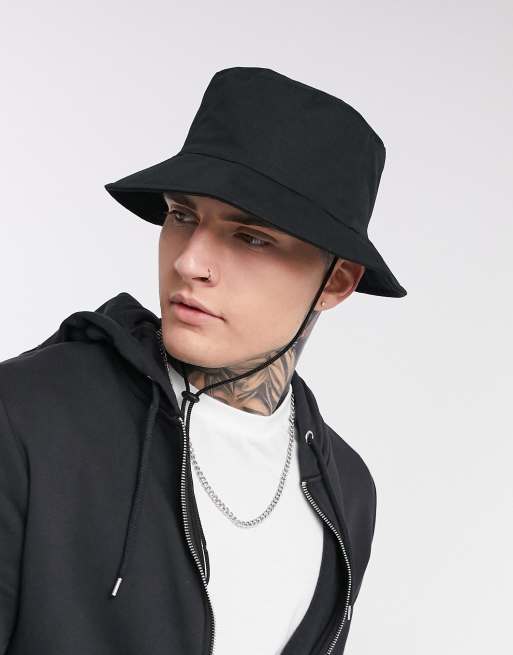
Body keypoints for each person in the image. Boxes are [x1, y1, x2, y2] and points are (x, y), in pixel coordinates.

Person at [0, 67, 407, 655]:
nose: (189, 261)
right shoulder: (27, 417)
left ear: (337, 281)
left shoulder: (347, 490)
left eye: (251, 237)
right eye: (182, 215)